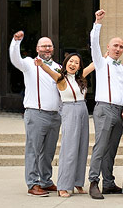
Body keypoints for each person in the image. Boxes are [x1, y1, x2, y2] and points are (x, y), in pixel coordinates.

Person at [10, 31, 63, 197]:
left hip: (55, 115)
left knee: (48, 151)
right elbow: (15, 59)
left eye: (49, 46)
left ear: (53, 49)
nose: (47, 48)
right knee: (33, 150)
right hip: (36, 113)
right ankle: (33, 183)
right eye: (43, 46)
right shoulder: (29, 64)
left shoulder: (58, 68)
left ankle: (46, 181)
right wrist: (16, 42)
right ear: (37, 48)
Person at [35, 51, 91, 198]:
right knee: (69, 149)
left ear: (79, 66)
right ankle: (63, 186)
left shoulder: (81, 77)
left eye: (76, 62)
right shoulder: (61, 78)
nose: (73, 64)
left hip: (83, 110)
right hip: (69, 110)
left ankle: (78, 182)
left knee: (82, 147)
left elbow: (94, 65)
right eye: (70, 61)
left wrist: (104, 56)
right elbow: (48, 70)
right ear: (65, 63)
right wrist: (41, 64)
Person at [88, 9, 123, 199]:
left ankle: (109, 182)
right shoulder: (101, 62)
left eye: (121, 46)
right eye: (115, 45)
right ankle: (93, 182)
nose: (118, 48)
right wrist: (97, 23)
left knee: (112, 148)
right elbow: (93, 44)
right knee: (101, 146)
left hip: (118, 110)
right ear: (108, 47)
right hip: (104, 108)